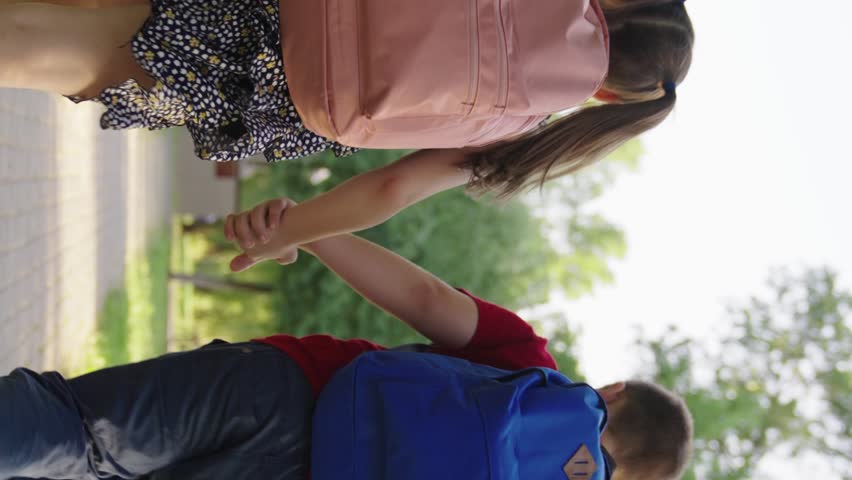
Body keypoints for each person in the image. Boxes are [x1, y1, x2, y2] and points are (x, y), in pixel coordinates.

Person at [0, 198, 693, 480]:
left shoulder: (527, 363)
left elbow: (423, 299)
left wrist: (302, 229)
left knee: (77, 430)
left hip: (290, 389)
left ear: (612, 393)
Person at [0, 0, 693, 195]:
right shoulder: (525, 130)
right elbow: (391, 190)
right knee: (86, 56)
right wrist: (291, 233)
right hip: (277, 103)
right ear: (609, 96)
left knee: (75, 28)